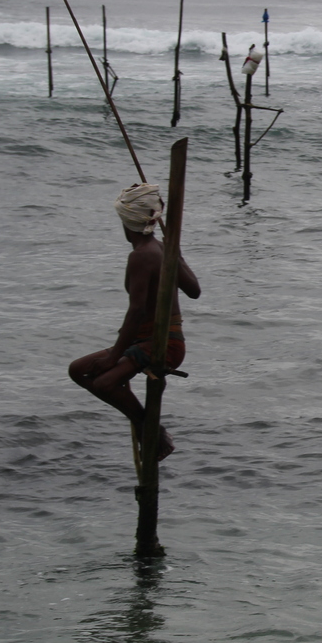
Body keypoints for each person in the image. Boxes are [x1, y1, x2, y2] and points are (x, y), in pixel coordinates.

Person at [69, 183, 200, 461]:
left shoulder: (142, 256)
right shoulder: (163, 247)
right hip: (147, 341)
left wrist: (113, 357)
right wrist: (173, 251)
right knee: (78, 370)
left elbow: (137, 311)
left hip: (163, 344)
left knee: (103, 383)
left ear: (125, 221)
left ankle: (151, 430)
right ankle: (146, 426)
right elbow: (195, 290)